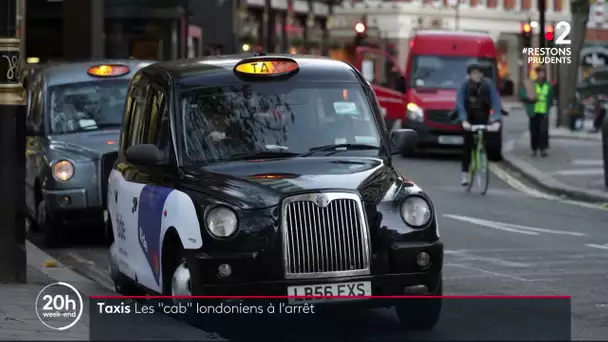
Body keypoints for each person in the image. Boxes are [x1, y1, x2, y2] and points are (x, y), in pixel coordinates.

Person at [456, 62, 503, 186]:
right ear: (470, 75)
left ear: (482, 74)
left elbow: (496, 101)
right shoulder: (464, 86)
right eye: (474, 73)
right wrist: (463, 121)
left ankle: (481, 155)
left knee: (486, 141)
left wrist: (496, 119)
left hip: (483, 118)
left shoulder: (488, 85)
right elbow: (460, 104)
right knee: (467, 145)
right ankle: (465, 173)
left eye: (479, 73)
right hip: (468, 118)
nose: (476, 75)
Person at [520, 66, 554, 157]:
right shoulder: (532, 84)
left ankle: (543, 149)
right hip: (534, 112)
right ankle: (534, 149)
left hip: (543, 112)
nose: (541, 74)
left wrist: (548, 109)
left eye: (542, 72)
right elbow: (524, 94)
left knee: (543, 131)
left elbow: (550, 98)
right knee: (534, 131)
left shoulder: (548, 85)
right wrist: (528, 105)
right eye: (539, 72)